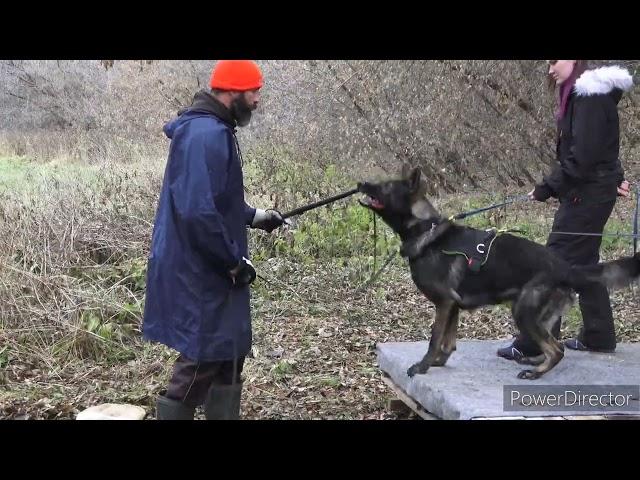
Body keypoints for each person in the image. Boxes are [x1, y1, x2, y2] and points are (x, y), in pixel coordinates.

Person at [142, 60, 285, 420]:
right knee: (202, 358)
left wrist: (254, 216)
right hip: (200, 273)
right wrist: (232, 262)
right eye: (253, 92)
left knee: (228, 355)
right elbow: (197, 211)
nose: (256, 100)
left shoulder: (216, 130)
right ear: (233, 91)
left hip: (212, 272)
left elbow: (218, 198)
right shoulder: (205, 135)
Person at [498, 60, 634, 361]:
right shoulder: (585, 95)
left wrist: (548, 186)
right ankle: (599, 336)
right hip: (590, 191)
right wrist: (614, 176)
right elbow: (600, 150)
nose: (549, 69)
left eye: (553, 61)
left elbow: (583, 157)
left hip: (587, 195)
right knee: (582, 263)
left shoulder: (588, 96)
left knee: (553, 261)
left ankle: (535, 343)